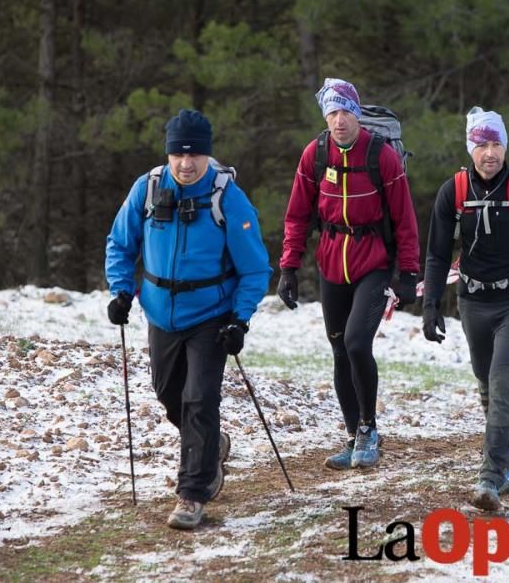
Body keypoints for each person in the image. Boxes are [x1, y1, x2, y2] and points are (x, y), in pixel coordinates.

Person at [105, 109, 271, 530]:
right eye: (178, 154)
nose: (186, 163)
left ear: (207, 154)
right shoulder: (147, 189)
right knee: (168, 393)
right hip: (160, 312)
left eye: (195, 154)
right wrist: (121, 290)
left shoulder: (226, 197)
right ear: (168, 154)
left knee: (199, 398)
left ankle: (193, 493)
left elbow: (255, 268)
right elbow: (120, 244)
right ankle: (210, 443)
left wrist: (240, 319)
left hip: (211, 315)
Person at [421, 107, 509, 511]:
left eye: (496, 143)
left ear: (505, 145)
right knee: (488, 389)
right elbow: (436, 253)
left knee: (502, 384)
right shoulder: (453, 191)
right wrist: (431, 304)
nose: (490, 153)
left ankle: (490, 477)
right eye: (482, 144)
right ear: (471, 147)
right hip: (473, 302)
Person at [277, 78, 420, 470]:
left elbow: (405, 218)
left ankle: (369, 429)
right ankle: (351, 434)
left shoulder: (380, 155)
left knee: (358, 343)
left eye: (345, 112)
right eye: (332, 113)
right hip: (330, 264)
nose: (339, 121)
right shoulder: (315, 154)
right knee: (339, 348)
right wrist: (289, 266)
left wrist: (407, 271)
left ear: (356, 114)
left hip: (373, 262)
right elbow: (297, 214)